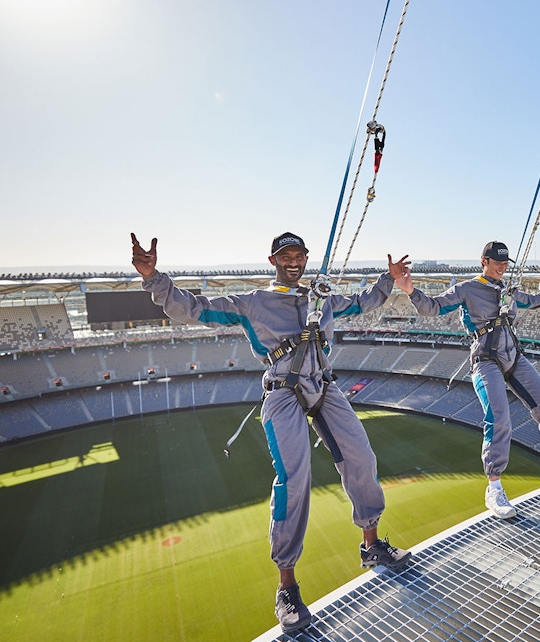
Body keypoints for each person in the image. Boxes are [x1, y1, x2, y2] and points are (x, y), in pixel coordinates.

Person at [131, 231, 412, 634]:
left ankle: (371, 546)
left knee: (362, 458)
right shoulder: (253, 302)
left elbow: (363, 301)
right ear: (273, 260)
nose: (293, 261)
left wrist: (388, 279)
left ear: (306, 259)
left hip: (324, 386)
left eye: (299, 255)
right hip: (282, 392)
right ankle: (287, 586)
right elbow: (193, 308)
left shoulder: (320, 297)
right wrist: (153, 277)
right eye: (286, 256)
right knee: (295, 480)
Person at [391, 241, 540, 519]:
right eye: (497, 262)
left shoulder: (507, 289)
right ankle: (494, 488)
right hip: (486, 360)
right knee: (499, 417)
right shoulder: (467, 289)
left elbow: (529, 301)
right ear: (483, 261)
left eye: (506, 263)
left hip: (513, 357)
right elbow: (433, 307)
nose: (502, 267)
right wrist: (409, 289)